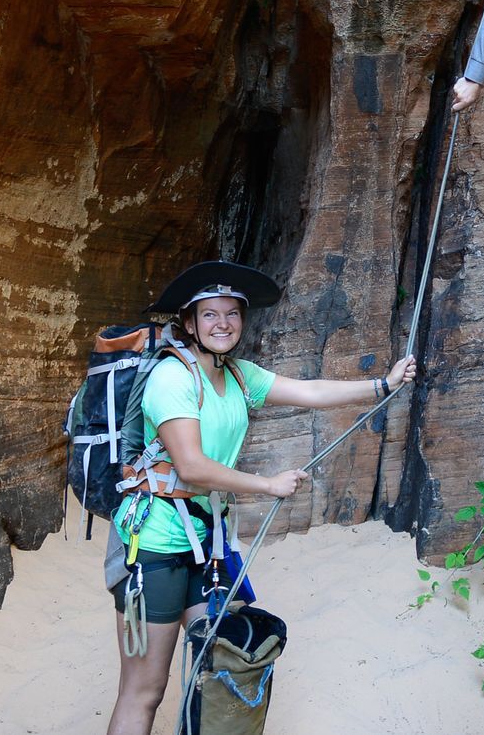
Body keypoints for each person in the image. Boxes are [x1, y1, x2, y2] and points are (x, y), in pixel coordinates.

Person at [104, 260, 417, 735]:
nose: (222, 323)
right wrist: (267, 485)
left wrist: (382, 385)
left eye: (232, 313)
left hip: (205, 545)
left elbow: (308, 392)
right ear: (189, 322)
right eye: (209, 314)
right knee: (145, 691)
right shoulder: (173, 379)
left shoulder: (238, 376)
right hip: (155, 545)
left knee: (222, 666)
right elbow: (190, 466)